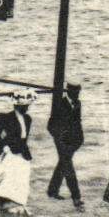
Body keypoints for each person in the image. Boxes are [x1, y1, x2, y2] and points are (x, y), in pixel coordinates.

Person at [0, 91, 35, 209]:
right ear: (17, 106)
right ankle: (1, 201)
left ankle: (15, 200)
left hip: (21, 150)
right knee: (6, 176)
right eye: (24, 106)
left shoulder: (28, 119)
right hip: (9, 150)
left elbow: (24, 138)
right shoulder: (6, 117)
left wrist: (25, 151)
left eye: (27, 106)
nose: (27, 108)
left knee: (20, 176)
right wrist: (3, 146)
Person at [46, 81, 85, 209]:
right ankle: (76, 197)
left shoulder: (78, 104)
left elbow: (78, 122)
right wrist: (59, 139)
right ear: (68, 91)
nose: (77, 94)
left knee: (63, 164)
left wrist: (80, 139)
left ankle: (52, 190)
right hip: (61, 141)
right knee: (68, 166)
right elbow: (51, 125)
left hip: (73, 141)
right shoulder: (60, 104)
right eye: (75, 92)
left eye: (78, 91)